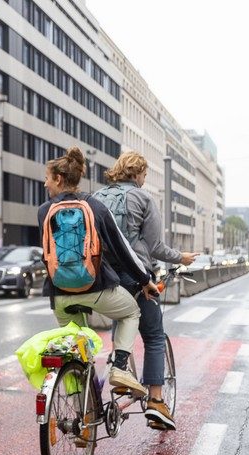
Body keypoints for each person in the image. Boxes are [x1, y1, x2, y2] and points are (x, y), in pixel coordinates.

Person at [38, 147, 159, 397]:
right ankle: (119, 368)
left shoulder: (43, 210)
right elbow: (122, 249)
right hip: (95, 289)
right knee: (131, 313)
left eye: (47, 178)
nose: (45, 182)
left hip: (59, 295)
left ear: (59, 179)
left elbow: (47, 254)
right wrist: (144, 280)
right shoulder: (95, 206)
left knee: (76, 353)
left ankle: (83, 423)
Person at [94, 151, 199, 430]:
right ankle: (156, 401)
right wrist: (182, 258)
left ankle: (121, 378)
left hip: (103, 278)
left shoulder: (96, 198)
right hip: (136, 277)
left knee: (121, 323)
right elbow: (155, 248)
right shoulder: (143, 199)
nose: (143, 179)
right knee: (153, 336)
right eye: (144, 174)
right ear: (138, 173)